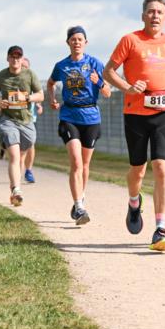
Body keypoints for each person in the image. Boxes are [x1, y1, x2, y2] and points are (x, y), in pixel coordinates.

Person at [104, 0, 165, 251]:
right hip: (135, 114)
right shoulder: (130, 40)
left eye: (160, 12)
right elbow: (108, 71)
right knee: (138, 170)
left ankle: (161, 229)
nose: (155, 16)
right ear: (143, 15)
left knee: (162, 168)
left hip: (164, 113)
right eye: (151, 12)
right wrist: (128, 88)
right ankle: (134, 201)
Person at [47, 25, 112, 225]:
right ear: (68, 42)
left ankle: (80, 198)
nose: (76, 42)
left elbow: (108, 92)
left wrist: (99, 83)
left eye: (80, 39)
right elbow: (50, 83)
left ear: (86, 42)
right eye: (73, 39)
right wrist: (52, 99)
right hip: (69, 116)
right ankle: (79, 206)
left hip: (91, 117)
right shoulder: (62, 65)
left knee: (84, 164)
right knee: (75, 162)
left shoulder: (95, 63)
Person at [0, 46, 44, 206]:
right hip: (8, 120)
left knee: (21, 156)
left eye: (18, 57)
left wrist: (29, 98)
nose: (15, 59)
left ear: (22, 58)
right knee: (14, 156)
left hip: (27, 121)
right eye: (12, 57)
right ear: (8, 58)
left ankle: (15, 185)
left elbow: (41, 94)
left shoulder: (30, 74)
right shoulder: (1, 76)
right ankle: (16, 190)